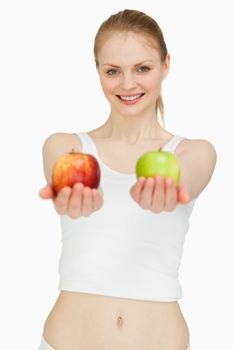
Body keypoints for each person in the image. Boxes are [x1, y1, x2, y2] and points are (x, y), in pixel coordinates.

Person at [38, 9, 217, 350]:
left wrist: (170, 188)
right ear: (98, 72)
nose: (128, 84)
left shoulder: (192, 152)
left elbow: (188, 177)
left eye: (143, 68)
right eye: (112, 71)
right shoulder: (68, 145)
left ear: (166, 65)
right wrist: (71, 190)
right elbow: (61, 169)